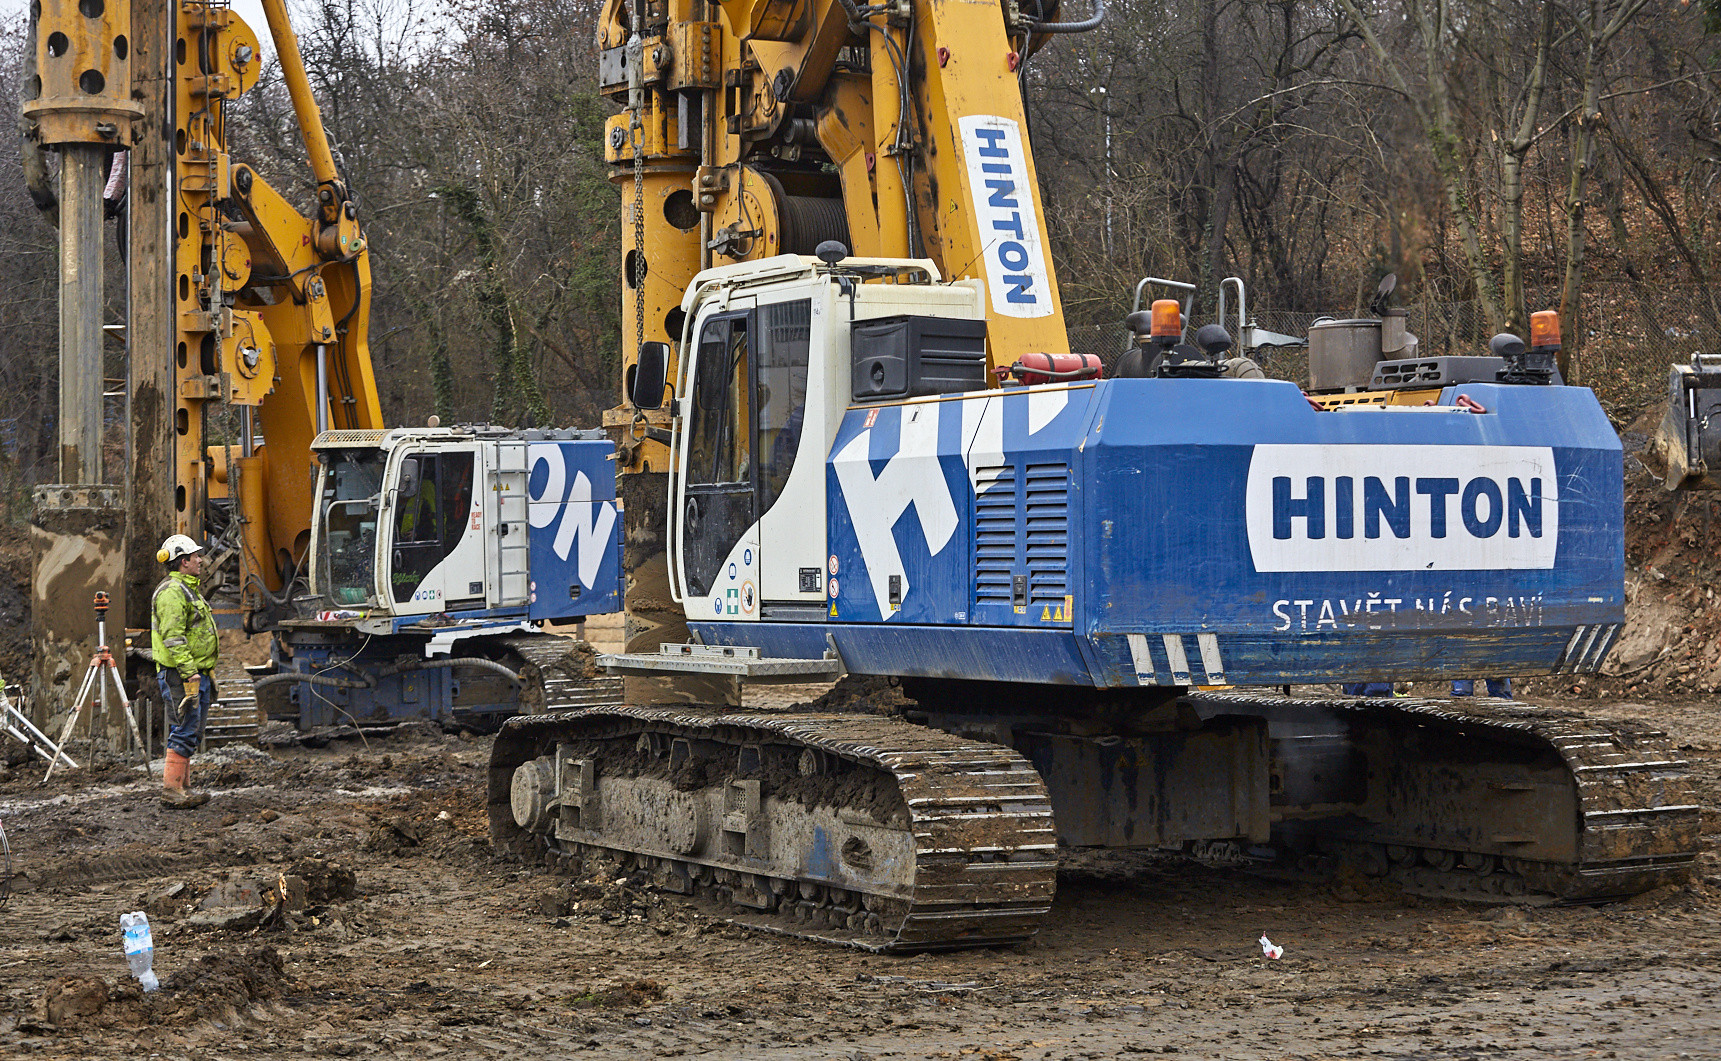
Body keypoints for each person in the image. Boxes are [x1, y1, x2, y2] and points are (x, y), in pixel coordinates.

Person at [152, 534, 217, 808]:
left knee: (193, 729)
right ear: (182, 562)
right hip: (180, 673)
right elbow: (173, 637)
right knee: (184, 726)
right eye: (195, 557)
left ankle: (183, 787)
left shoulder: (188, 589)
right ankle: (171, 789)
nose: (200, 560)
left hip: (195, 672)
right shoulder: (172, 593)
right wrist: (190, 672)